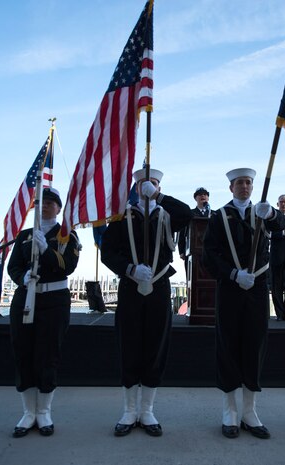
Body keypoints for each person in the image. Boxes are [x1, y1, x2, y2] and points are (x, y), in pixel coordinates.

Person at [100, 168, 191, 437]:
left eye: (152, 183)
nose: (147, 187)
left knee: (156, 344)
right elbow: (108, 252)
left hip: (159, 286)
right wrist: (128, 269)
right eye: (143, 183)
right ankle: (129, 410)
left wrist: (160, 197)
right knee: (129, 344)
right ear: (135, 187)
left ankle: (147, 410)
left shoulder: (166, 214)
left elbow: (187, 214)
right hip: (130, 285)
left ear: (158, 187)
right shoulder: (121, 216)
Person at [202, 168, 285, 440]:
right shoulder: (218, 216)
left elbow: (280, 227)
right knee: (228, 344)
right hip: (230, 285)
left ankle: (250, 411)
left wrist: (271, 213)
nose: (245, 187)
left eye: (249, 182)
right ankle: (230, 411)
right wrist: (232, 273)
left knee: (255, 343)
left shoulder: (262, 211)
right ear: (231, 188)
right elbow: (209, 254)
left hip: (257, 287)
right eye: (240, 183)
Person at [7, 187, 81, 438]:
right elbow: (13, 266)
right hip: (26, 298)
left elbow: (67, 266)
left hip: (54, 301)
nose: (45, 206)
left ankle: (44, 412)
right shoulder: (26, 235)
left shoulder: (67, 236)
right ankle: (28, 412)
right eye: (41, 202)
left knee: (48, 354)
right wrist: (23, 276)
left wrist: (47, 251)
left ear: (59, 208)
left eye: (51, 203)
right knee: (23, 352)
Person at [177, 187, 212, 276]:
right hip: (192, 253)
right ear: (195, 198)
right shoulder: (189, 213)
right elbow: (182, 232)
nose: (203, 196)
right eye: (200, 194)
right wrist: (181, 251)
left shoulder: (214, 214)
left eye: (205, 194)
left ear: (208, 198)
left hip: (210, 252)